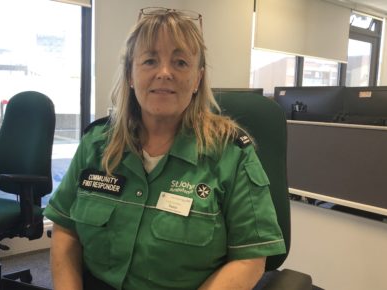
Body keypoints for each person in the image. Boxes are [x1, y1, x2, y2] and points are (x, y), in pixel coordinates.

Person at [43, 7, 286, 290]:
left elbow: (251, 257)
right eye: (149, 60)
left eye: (181, 62)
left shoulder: (232, 155)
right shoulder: (97, 143)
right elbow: (65, 228)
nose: (164, 73)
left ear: (197, 79)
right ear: (131, 75)